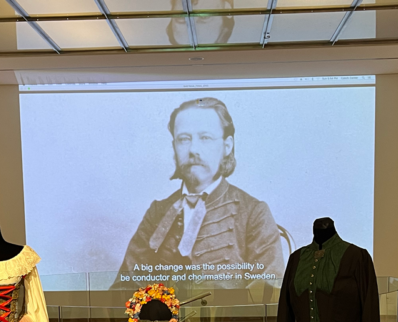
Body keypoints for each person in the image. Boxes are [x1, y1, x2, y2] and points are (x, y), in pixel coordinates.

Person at [113, 97, 285, 288]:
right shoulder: (158, 211)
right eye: (184, 139)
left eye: (205, 138)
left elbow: (269, 290)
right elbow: (124, 286)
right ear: (174, 147)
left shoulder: (253, 212)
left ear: (227, 146)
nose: (193, 149)